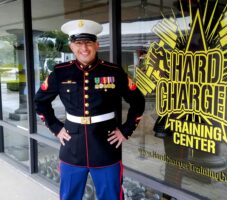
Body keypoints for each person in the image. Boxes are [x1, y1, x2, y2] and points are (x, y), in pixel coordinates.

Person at [34, 19, 145, 200]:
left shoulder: (114, 72)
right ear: (71, 47)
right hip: (72, 146)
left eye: (88, 43)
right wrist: (56, 128)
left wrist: (125, 131)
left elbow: (138, 101)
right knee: (69, 195)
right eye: (78, 43)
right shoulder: (61, 72)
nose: (84, 48)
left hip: (106, 145)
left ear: (97, 45)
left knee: (111, 196)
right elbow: (40, 102)